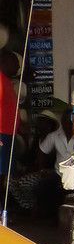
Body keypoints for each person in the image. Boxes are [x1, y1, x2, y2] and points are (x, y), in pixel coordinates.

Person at [0, 50, 17, 188]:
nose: (17, 67)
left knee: (6, 173)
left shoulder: (7, 81)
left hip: (8, 134)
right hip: (2, 134)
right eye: (15, 63)